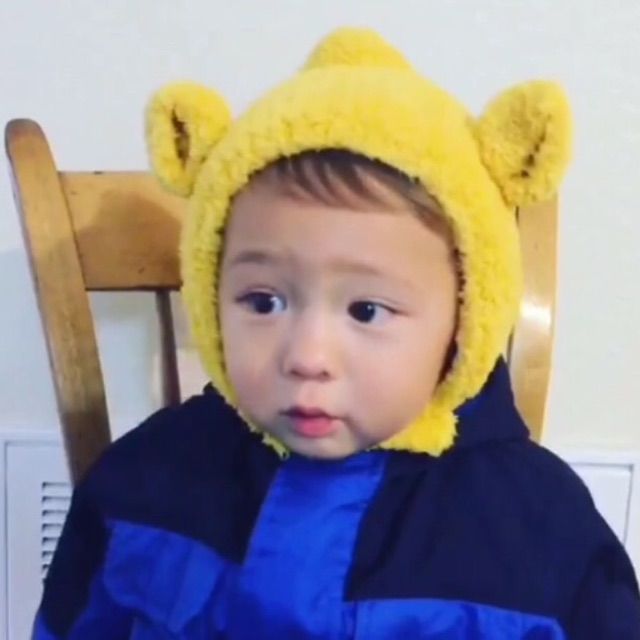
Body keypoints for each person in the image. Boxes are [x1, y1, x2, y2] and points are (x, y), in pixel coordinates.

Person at [33, 27, 640, 639]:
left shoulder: (541, 533)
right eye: (264, 301)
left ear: (464, 320)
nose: (307, 356)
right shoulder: (144, 481)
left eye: (366, 311)